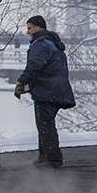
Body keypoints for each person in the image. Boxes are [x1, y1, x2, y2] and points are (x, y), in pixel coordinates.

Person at [15, 15, 75, 168]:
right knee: (45, 124)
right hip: (58, 89)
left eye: (29, 28)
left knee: (45, 125)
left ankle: (52, 159)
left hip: (47, 91)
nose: (27, 32)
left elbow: (34, 66)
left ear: (38, 27)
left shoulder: (40, 44)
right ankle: (44, 157)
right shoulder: (53, 43)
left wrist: (21, 81)